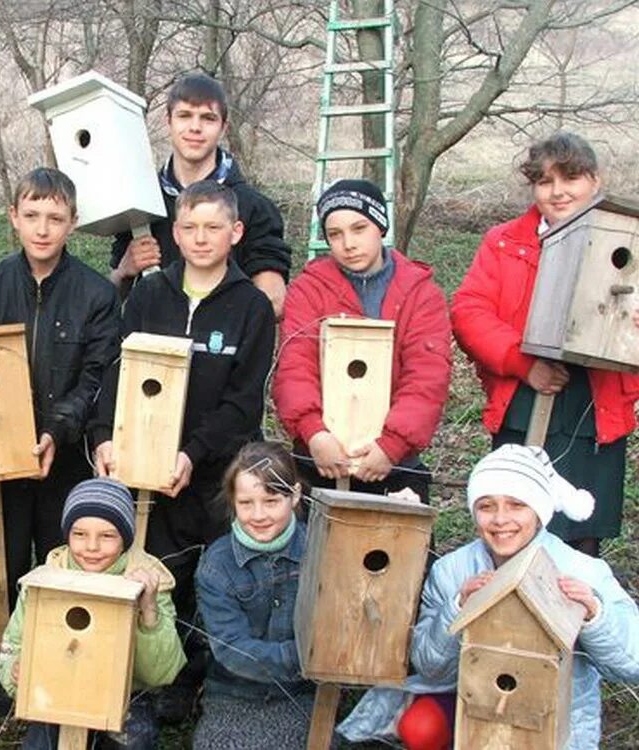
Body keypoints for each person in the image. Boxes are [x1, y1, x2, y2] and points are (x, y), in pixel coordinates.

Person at [0, 167, 120, 718]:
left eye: (55, 218)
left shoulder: (96, 294)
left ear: (73, 223)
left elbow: (96, 373)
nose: (43, 228)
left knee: (63, 560)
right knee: (1, 562)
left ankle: (63, 664)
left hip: (66, 457)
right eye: (31, 215)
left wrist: (57, 429)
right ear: (13, 217)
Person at [92, 180, 276, 722]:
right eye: (190, 227)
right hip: (151, 470)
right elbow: (119, 368)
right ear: (175, 232)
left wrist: (193, 453)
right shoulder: (150, 295)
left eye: (213, 227)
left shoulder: (250, 308)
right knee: (161, 572)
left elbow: (243, 404)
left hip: (215, 474)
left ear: (235, 232)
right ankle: (163, 678)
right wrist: (106, 433)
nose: (201, 238)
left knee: (216, 576)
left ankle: (214, 676)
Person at [338, 444, 639, 749]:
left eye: (516, 505)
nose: (500, 519)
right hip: (470, 697)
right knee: (421, 726)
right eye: (486, 506)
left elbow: (633, 663)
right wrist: (457, 608)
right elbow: (428, 664)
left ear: (539, 510)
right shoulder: (452, 571)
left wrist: (594, 615)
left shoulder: (580, 570)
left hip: (552, 710)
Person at [451, 131, 639, 557]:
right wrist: (522, 361)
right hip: (525, 399)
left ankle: (576, 613)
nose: (557, 192)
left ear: (594, 179)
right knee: (514, 521)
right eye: (544, 182)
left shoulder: (629, 238)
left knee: (581, 531)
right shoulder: (504, 242)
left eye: (570, 179)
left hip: (595, 408)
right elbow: (469, 311)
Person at [273, 179, 451, 504]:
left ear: (380, 227)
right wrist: (314, 433)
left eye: (359, 228)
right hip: (320, 456)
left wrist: (391, 445)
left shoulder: (420, 293)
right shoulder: (308, 289)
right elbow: (295, 366)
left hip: (393, 461)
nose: (348, 244)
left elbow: (427, 377)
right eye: (335, 234)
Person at [0, 478, 186, 749]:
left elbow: (160, 674)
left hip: (126, 695)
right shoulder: (47, 580)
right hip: (58, 690)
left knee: (133, 741)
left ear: (126, 537)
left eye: (107, 535)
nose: (92, 547)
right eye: (80, 534)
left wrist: (148, 610)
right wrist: (16, 671)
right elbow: (13, 645)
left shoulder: (148, 581)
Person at [109, 72, 291, 317]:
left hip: (224, 349)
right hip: (152, 350)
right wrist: (124, 271)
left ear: (223, 127)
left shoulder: (254, 207)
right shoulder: (141, 200)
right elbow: (110, 302)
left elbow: (273, 303)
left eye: (207, 118)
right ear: (169, 121)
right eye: (184, 116)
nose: (195, 127)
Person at [193, 442, 313, 749]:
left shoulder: (321, 549)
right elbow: (233, 650)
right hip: (232, 693)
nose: (258, 515)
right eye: (246, 503)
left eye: (271, 501)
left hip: (301, 693)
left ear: (295, 495)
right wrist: (307, 657)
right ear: (233, 501)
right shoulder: (218, 565)